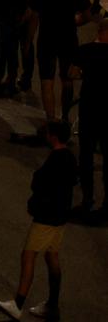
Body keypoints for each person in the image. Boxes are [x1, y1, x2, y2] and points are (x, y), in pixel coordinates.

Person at [0, 121, 77, 321]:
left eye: (48, 133)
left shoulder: (55, 159)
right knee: (51, 256)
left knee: (28, 255)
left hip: (47, 217)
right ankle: (52, 305)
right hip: (61, 217)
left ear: (53, 136)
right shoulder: (70, 157)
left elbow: (41, 183)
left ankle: (18, 304)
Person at [29, 0, 91, 124]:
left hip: (47, 39)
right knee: (67, 79)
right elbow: (87, 15)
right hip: (68, 38)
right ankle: (64, 116)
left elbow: (34, 18)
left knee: (47, 80)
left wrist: (28, 40)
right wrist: (75, 22)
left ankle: (50, 120)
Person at [74, 19, 108, 221]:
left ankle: (87, 200)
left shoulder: (86, 50)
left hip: (90, 108)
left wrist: (84, 72)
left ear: (100, 31)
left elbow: (71, 72)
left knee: (86, 155)